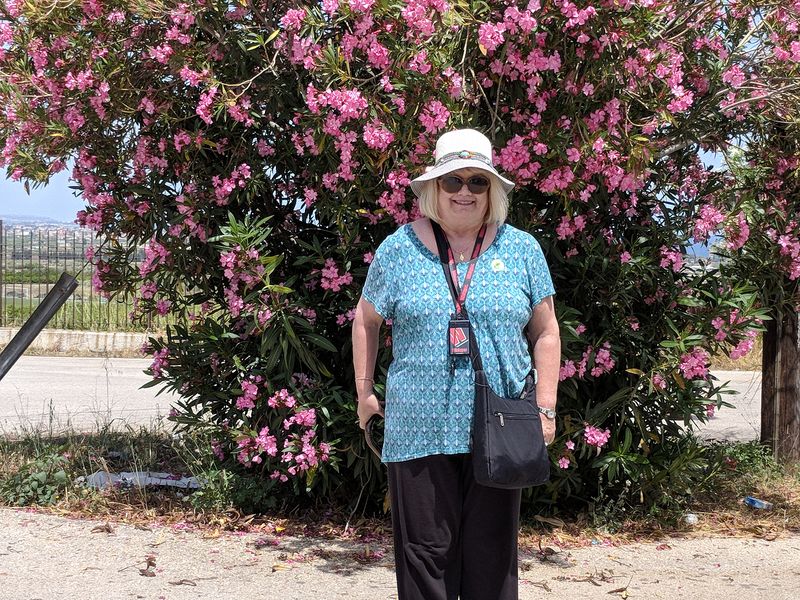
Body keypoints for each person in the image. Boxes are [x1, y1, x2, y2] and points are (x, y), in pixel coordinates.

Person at [351, 128, 560, 600]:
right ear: (432, 189)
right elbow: (365, 320)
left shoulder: (522, 248)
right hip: (416, 428)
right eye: (452, 181)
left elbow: (546, 331)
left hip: (500, 425)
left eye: (477, 182)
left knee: (492, 555)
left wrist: (545, 406)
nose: (464, 191)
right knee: (425, 555)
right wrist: (365, 392)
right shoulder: (397, 250)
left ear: (492, 191)